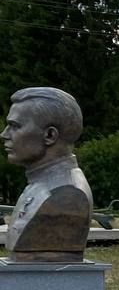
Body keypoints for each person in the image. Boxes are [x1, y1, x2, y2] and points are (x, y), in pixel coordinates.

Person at [1, 87, 93, 262]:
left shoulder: (68, 194)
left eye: (14, 126)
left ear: (50, 135)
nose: (4, 134)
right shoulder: (40, 184)